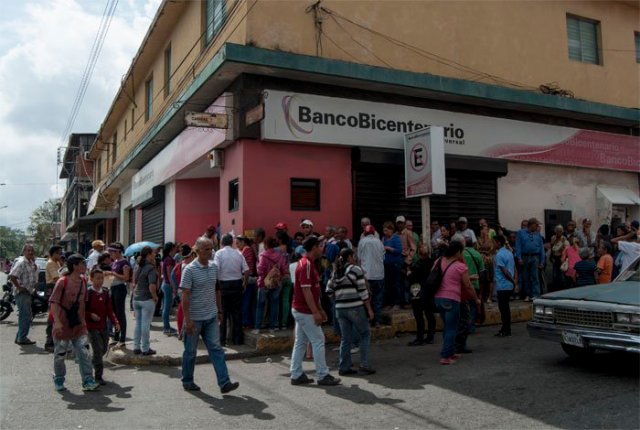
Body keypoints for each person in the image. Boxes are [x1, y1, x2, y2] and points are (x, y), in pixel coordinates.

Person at [180, 237, 239, 394]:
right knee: (190, 351)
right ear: (197, 251)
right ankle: (187, 380)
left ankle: (224, 383)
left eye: (211, 248)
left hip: (211, 316)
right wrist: (188, 320)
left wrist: (219, 311)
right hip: (194, 318)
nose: (209, 251)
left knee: (216, 349)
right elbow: (185, 296)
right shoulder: (189, 270)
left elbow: (216, 290)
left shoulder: (214, 267)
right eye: (206, 249)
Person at [289, 236, 341, 386]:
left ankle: (296, 374)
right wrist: (316, 312)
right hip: (304, 311)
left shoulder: (309, 264)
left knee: (301, 342)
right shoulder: (306, 265)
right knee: (318, 340)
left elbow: (313, 290)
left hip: (302, 310)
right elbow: (307, 292)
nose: (322, 249)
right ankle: (322, 375)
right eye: (319, 246)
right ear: (313, 248)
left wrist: (320, 309)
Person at [49, 254, 99, 392]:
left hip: (78, 325)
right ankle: (59, 378)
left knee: (84, 352)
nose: (84, 266)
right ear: (75, 266)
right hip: (62, 325)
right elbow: (53, 303)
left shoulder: (83, 281)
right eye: (82, 264)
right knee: (60, 355)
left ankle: (88, 380)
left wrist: (83, 322)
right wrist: (57, 322)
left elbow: (83, 304)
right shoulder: (62, 282)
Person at [326, 248, 375, 376]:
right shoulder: (356, 269)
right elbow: (363, 293)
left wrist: (339, 300)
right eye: (353, 256)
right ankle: (364, 364)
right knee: (365, 334)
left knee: (345, 338)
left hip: (340, 309)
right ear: (349, 257)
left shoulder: (336, 271)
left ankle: (344, 367)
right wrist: (369, 310)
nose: (355, 258)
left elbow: (329, 291)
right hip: (355, 308)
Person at [434, 241, 480, 365]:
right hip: (452, 298)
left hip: (438, 298)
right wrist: (476, 299)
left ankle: (449, 352)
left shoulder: (438, 261)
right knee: (451, 328)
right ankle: (445, 356)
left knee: (447, 326)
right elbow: (468, 286)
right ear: (458, 252)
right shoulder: (460, 266)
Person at [214, 234, 250, 346]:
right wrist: (244, 283)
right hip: (237, 284)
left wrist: (217, 285)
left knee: (223, 313)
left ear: (222, 243)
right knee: (237, 313)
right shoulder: (239, 253)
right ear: (232, 243)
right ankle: (237, 340)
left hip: (224, 285)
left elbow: (215, 269)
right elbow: (247, 271)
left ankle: (222, 340)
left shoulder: (219, 254)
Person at [86, 268, 120, 384]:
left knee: (104, 349)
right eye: (97, 278)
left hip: (103, 326)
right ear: (91, 279)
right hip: (91, 327)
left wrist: (115, 322)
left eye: (102, 278)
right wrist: (90, 315)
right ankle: (98, 376)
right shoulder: (88, 293)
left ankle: (93, 362)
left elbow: (109, 310)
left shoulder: (105, 293)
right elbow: (82, 310)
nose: (100, 281)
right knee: (97, 350)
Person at [254, 237, 287, 333]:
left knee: (260, 305)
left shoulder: (263, 255)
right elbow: (284, 269)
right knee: (274, 305)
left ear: (265, 245)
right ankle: (272, 327)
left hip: (263, 284)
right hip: (276, 284)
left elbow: (260, 270)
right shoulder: (279, 256)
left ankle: (257, 327)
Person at [9, 244, 38, 346]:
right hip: (22, 293)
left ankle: (19, 337)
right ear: (24, 252)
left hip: (28, 292)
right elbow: (12, 276)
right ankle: (22, 338)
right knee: (25, 316)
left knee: (25, 316)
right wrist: (19, 287)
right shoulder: (21, 262)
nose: (30, 252)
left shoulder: (30, 263)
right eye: (28, 250)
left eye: (32, 251)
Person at [132, 246, 159, 355]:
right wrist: (155, 296)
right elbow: (152, 286)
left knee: (138, 323)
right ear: (148, 254)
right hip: (147, 299)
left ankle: (136, 347)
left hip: (137, 298)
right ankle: (145, 348)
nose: (155, 255)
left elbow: (134, 282)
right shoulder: (150, 268)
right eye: (153, 253)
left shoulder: (138, 266)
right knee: (145, 324)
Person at [407, 245, 436, 345]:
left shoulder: (418, 264)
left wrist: (408, 271)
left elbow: (411, 277)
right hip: (429, 292)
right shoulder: (433, 263)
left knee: (419, 316)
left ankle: (420, 338)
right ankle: (430, 337)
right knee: (429, 315)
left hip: (418, 292)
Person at [357, 224, 385, 326]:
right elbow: (383, 256)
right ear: (373, 233)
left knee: (366, 299)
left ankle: (367, 320)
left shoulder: (362, 242)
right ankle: (377, 320)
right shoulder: (379, 242)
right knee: (377, 299)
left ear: (364, 233)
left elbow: (359, 258)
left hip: (366, 275)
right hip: (379, 275)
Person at [515, 218, 545, 301]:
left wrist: (542, 261)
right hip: (525, 256)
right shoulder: (521, 233)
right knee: (526, 277)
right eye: (536, 225)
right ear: (531, 225)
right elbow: (518, 246)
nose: (538, 226)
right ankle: (527, 294)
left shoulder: (538, 234)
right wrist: (519, 258)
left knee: (535, 276)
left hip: (535, 257)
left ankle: (536, 295)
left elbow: (541, 248)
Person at [108, 242, 131, 348]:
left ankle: (122, 339)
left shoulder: (124, 263)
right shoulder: (114, 262)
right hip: (113, 288)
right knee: (114, 313)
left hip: (120, 289)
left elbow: (126, 277)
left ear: (118, 251)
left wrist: (113, 274)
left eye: (111, 252)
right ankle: (116, 336)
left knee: (120, 313)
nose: (110, 254)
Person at [493, 235, 516, 337]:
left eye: (493, 242)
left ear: (498, 243)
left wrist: (513, 281)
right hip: (508, 285)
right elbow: (514, 268)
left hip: (503, 285)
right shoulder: (509, 253)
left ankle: (506, 330)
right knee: (505, 308)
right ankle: (505, 328)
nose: (492, 244)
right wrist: (514, 281)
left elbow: (505, 272)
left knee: (503, 309)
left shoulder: (499, 255)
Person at [172, 246, 193, 339]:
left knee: (181, 310)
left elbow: (172, 276)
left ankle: (181, 331)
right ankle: (182, 332)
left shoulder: (180, 264)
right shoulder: (189, 266)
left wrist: (175, 289)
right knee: (186, 312)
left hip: (181, 289)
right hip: (187, 290)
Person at [44, 245, 64, 351]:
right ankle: (49, 342)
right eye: (58, 253)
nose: (60, 255)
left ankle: (55, 340)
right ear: (53, 253)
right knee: (53, 316)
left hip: (56, 289)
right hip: (52, 289)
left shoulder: (56, 262)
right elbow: (57, 278)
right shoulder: (51, 263)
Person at [236, 235, 257, 329]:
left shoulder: (246, 250)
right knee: (247, 301)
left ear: (243, 242)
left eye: (238, 243)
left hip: (248, 279)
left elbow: (245, 267)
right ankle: (247, 322)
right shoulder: (247, 250)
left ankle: (246, 322)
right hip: (249, 278)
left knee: (246, 301)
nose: (237, 245)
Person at [382, 221, 403, 310]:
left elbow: (399, 250)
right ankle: (389, 303)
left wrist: (389, 248)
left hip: (395, 264)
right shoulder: (383, 239)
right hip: (386, 265)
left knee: (395, 284)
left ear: (391, 230)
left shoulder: (396, 238)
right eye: (384, 230)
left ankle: (397, 303)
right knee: (388, 284)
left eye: (386, 230)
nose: (385, 232)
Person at [160, 242, 178, 336]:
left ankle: (167, 326)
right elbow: (170, 274)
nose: (176, 250)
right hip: (168, 285)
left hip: (165, 284)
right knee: (167, 307)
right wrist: (174, 287)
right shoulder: (169, 260)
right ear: (171, 249)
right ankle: (166, 328)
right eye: (175, 248)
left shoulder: (166, 259)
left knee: (166, 307)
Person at [549, 225, 569, 292]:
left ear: (562, 231)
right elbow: (552, 247)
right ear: (555, 231)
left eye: (560, 231)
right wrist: (551, 256)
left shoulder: (564, 239)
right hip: (555, 258)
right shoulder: (553, 238)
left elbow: (566, 249)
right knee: (554, 275)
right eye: (557, 231)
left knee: (562, 276)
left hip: (561, 258)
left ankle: (564, 290)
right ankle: (555, 290)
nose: (559, 232)